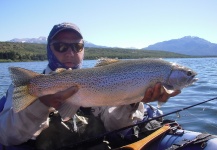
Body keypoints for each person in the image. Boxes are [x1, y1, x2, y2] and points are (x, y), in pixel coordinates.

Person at [0, 22, 180, 150]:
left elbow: (116, 126)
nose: (70, 52)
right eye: (61, 46)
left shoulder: (102, 79)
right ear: (49, 49)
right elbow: (8, 136)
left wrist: (133, 100)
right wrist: (42, 103)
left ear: (83, 50)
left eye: (77, 46)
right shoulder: (31, 85)